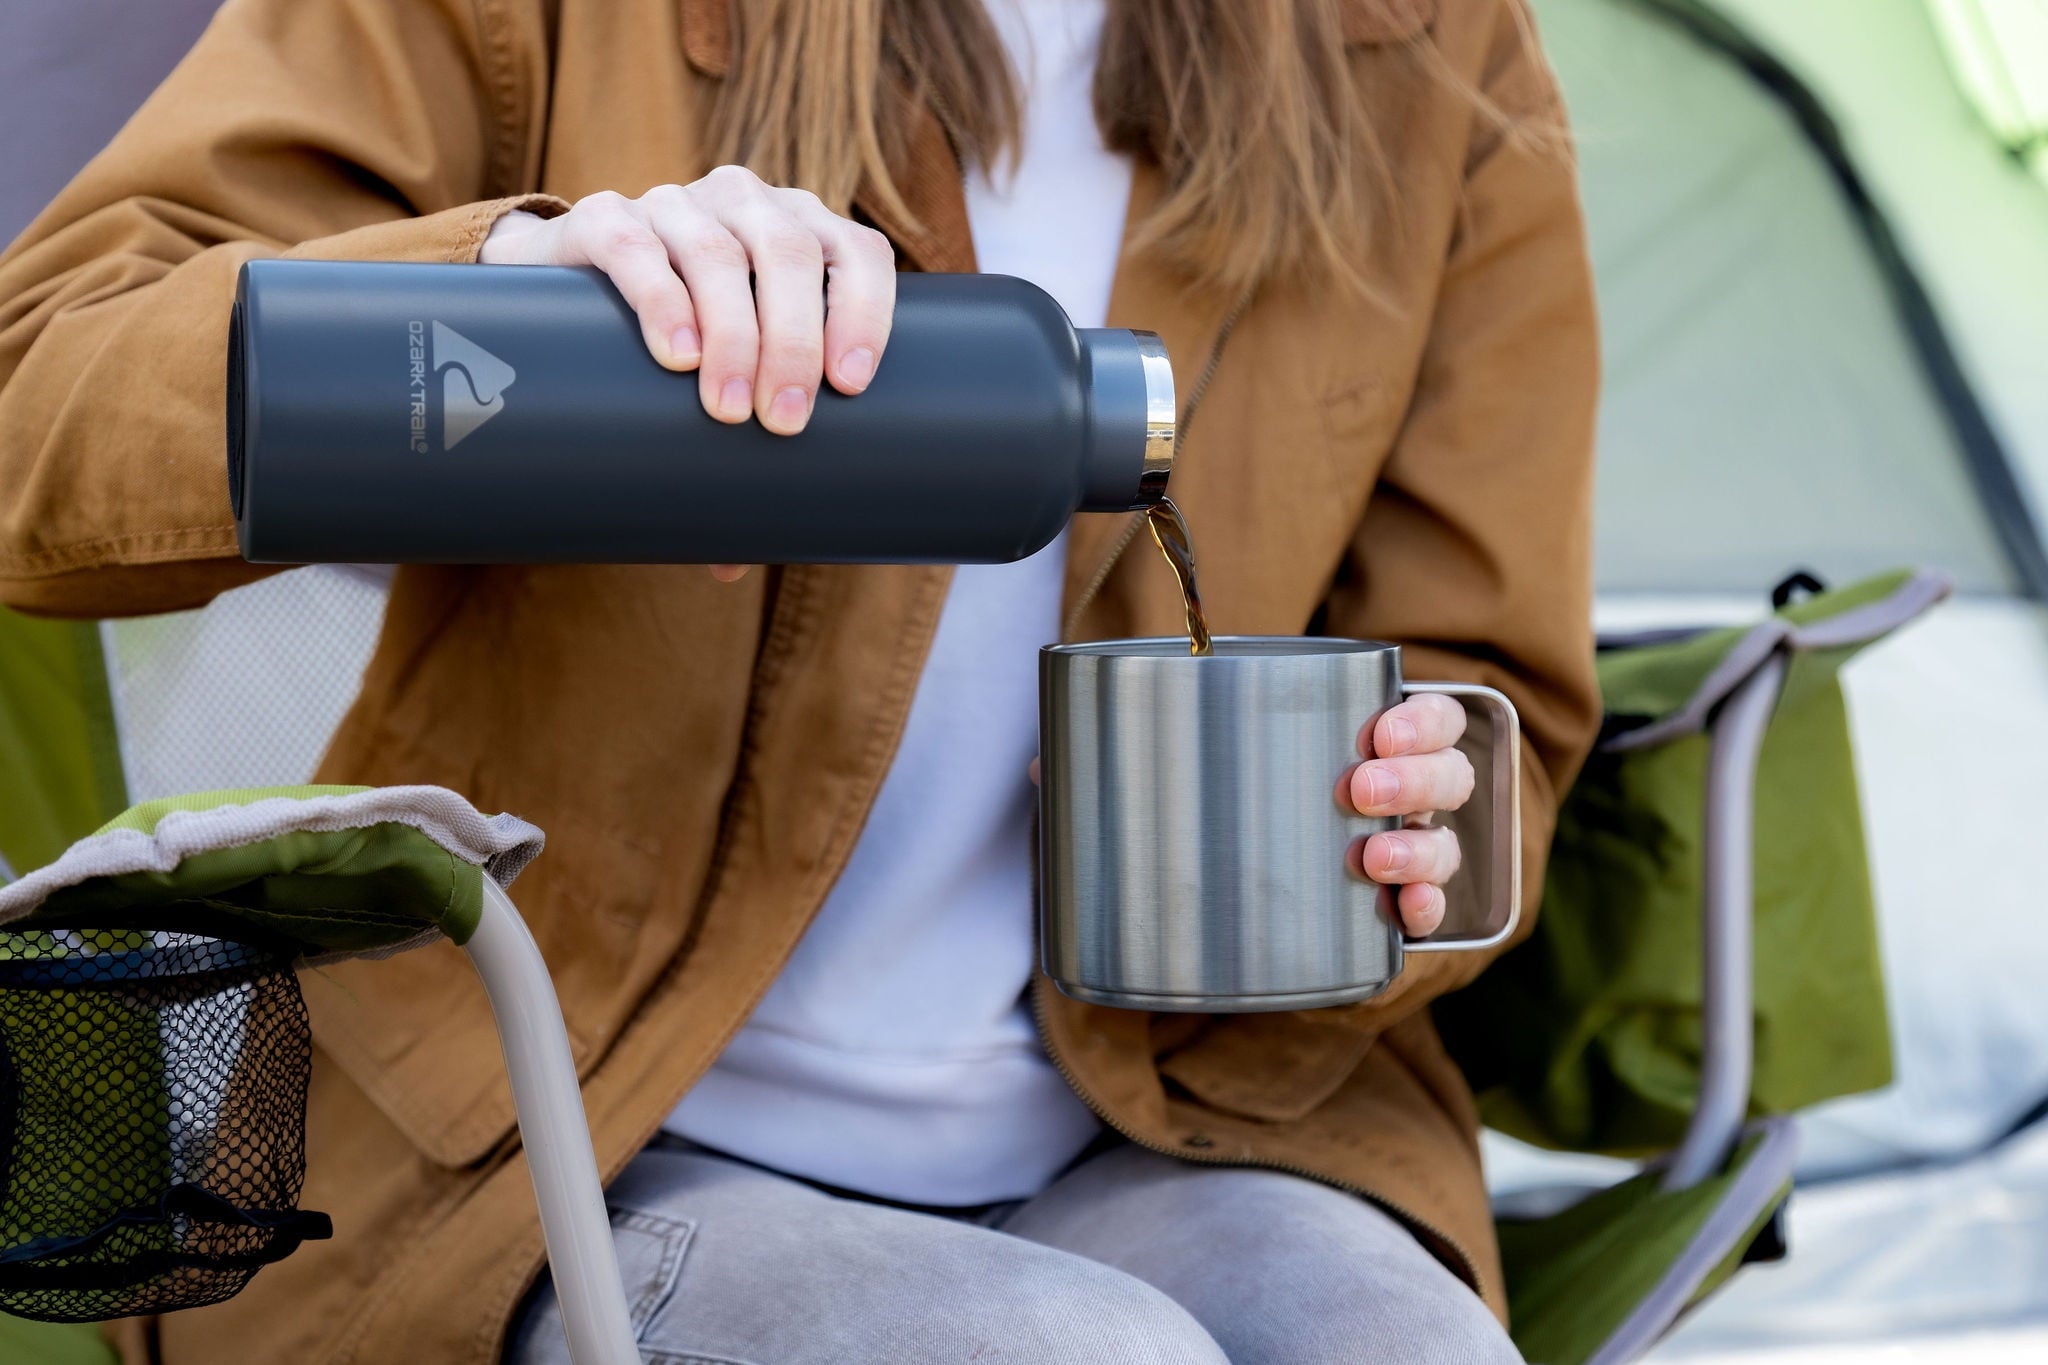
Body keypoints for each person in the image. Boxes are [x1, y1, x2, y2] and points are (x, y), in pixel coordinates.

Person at [0, 0, 1600, 1360]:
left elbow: (1492, 700)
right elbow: (39, 406)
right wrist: (511, 277)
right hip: (557, 1133)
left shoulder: (1425, 46)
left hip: (1191, 1120)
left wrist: (1413, 816)